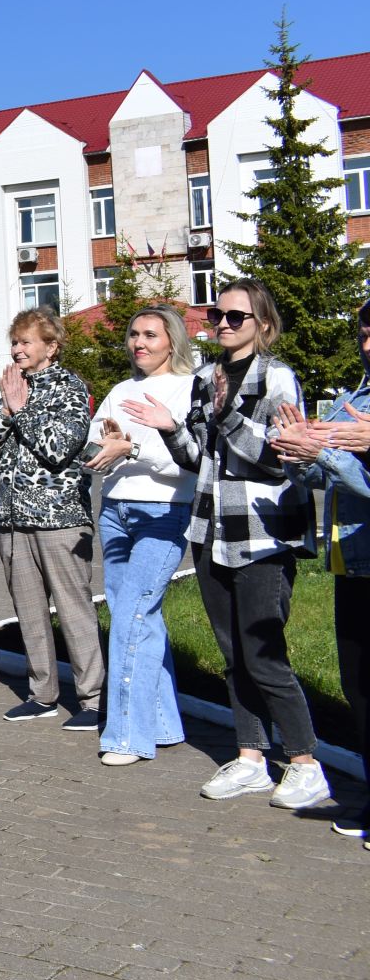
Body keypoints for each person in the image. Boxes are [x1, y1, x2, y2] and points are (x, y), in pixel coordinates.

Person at [126, 280, 329, 810]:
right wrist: (172, 428)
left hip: (263, 533)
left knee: (264, 655)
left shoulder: (276, 377)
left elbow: (277, 457)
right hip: (211, 531)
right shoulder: (205, 378)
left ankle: (306, 763)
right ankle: (252, 758)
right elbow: (199, 457)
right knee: (233, 654)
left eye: (236, 316)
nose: (222, 323)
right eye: (217, 314)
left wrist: (227, 414)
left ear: (262, 323)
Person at [0, 308, 102, 730]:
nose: (17, 349)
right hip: (12, 519)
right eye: (15, 341)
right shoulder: (14, 389)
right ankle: (42, 694)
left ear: (52, 347)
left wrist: (20, 410)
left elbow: (59, 448)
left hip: (58, 518)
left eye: (27, 341)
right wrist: (9, 412)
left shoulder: (68, 388)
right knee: (29, 612)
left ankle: (93, 701)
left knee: (74, 611)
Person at [81, 307, 197, 765]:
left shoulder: (188, 388)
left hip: (165, 510)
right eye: (133, 334)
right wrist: (106, 443)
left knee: (132, 615)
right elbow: (95, 447)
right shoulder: (121, 390)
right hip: (115, 508)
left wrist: (132, 446)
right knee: (141, 616)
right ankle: (165, 725)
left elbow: (186, 459)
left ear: (173, 341)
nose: (139, 343)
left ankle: (128, 737)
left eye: (151, 334)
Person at [276, 294, 370, 844]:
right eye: (362, 333)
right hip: (350, 565)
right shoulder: (353, 399)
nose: (366, 345)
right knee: (359, 689)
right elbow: (325, 480)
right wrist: (300, 453)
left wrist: (329, 454)